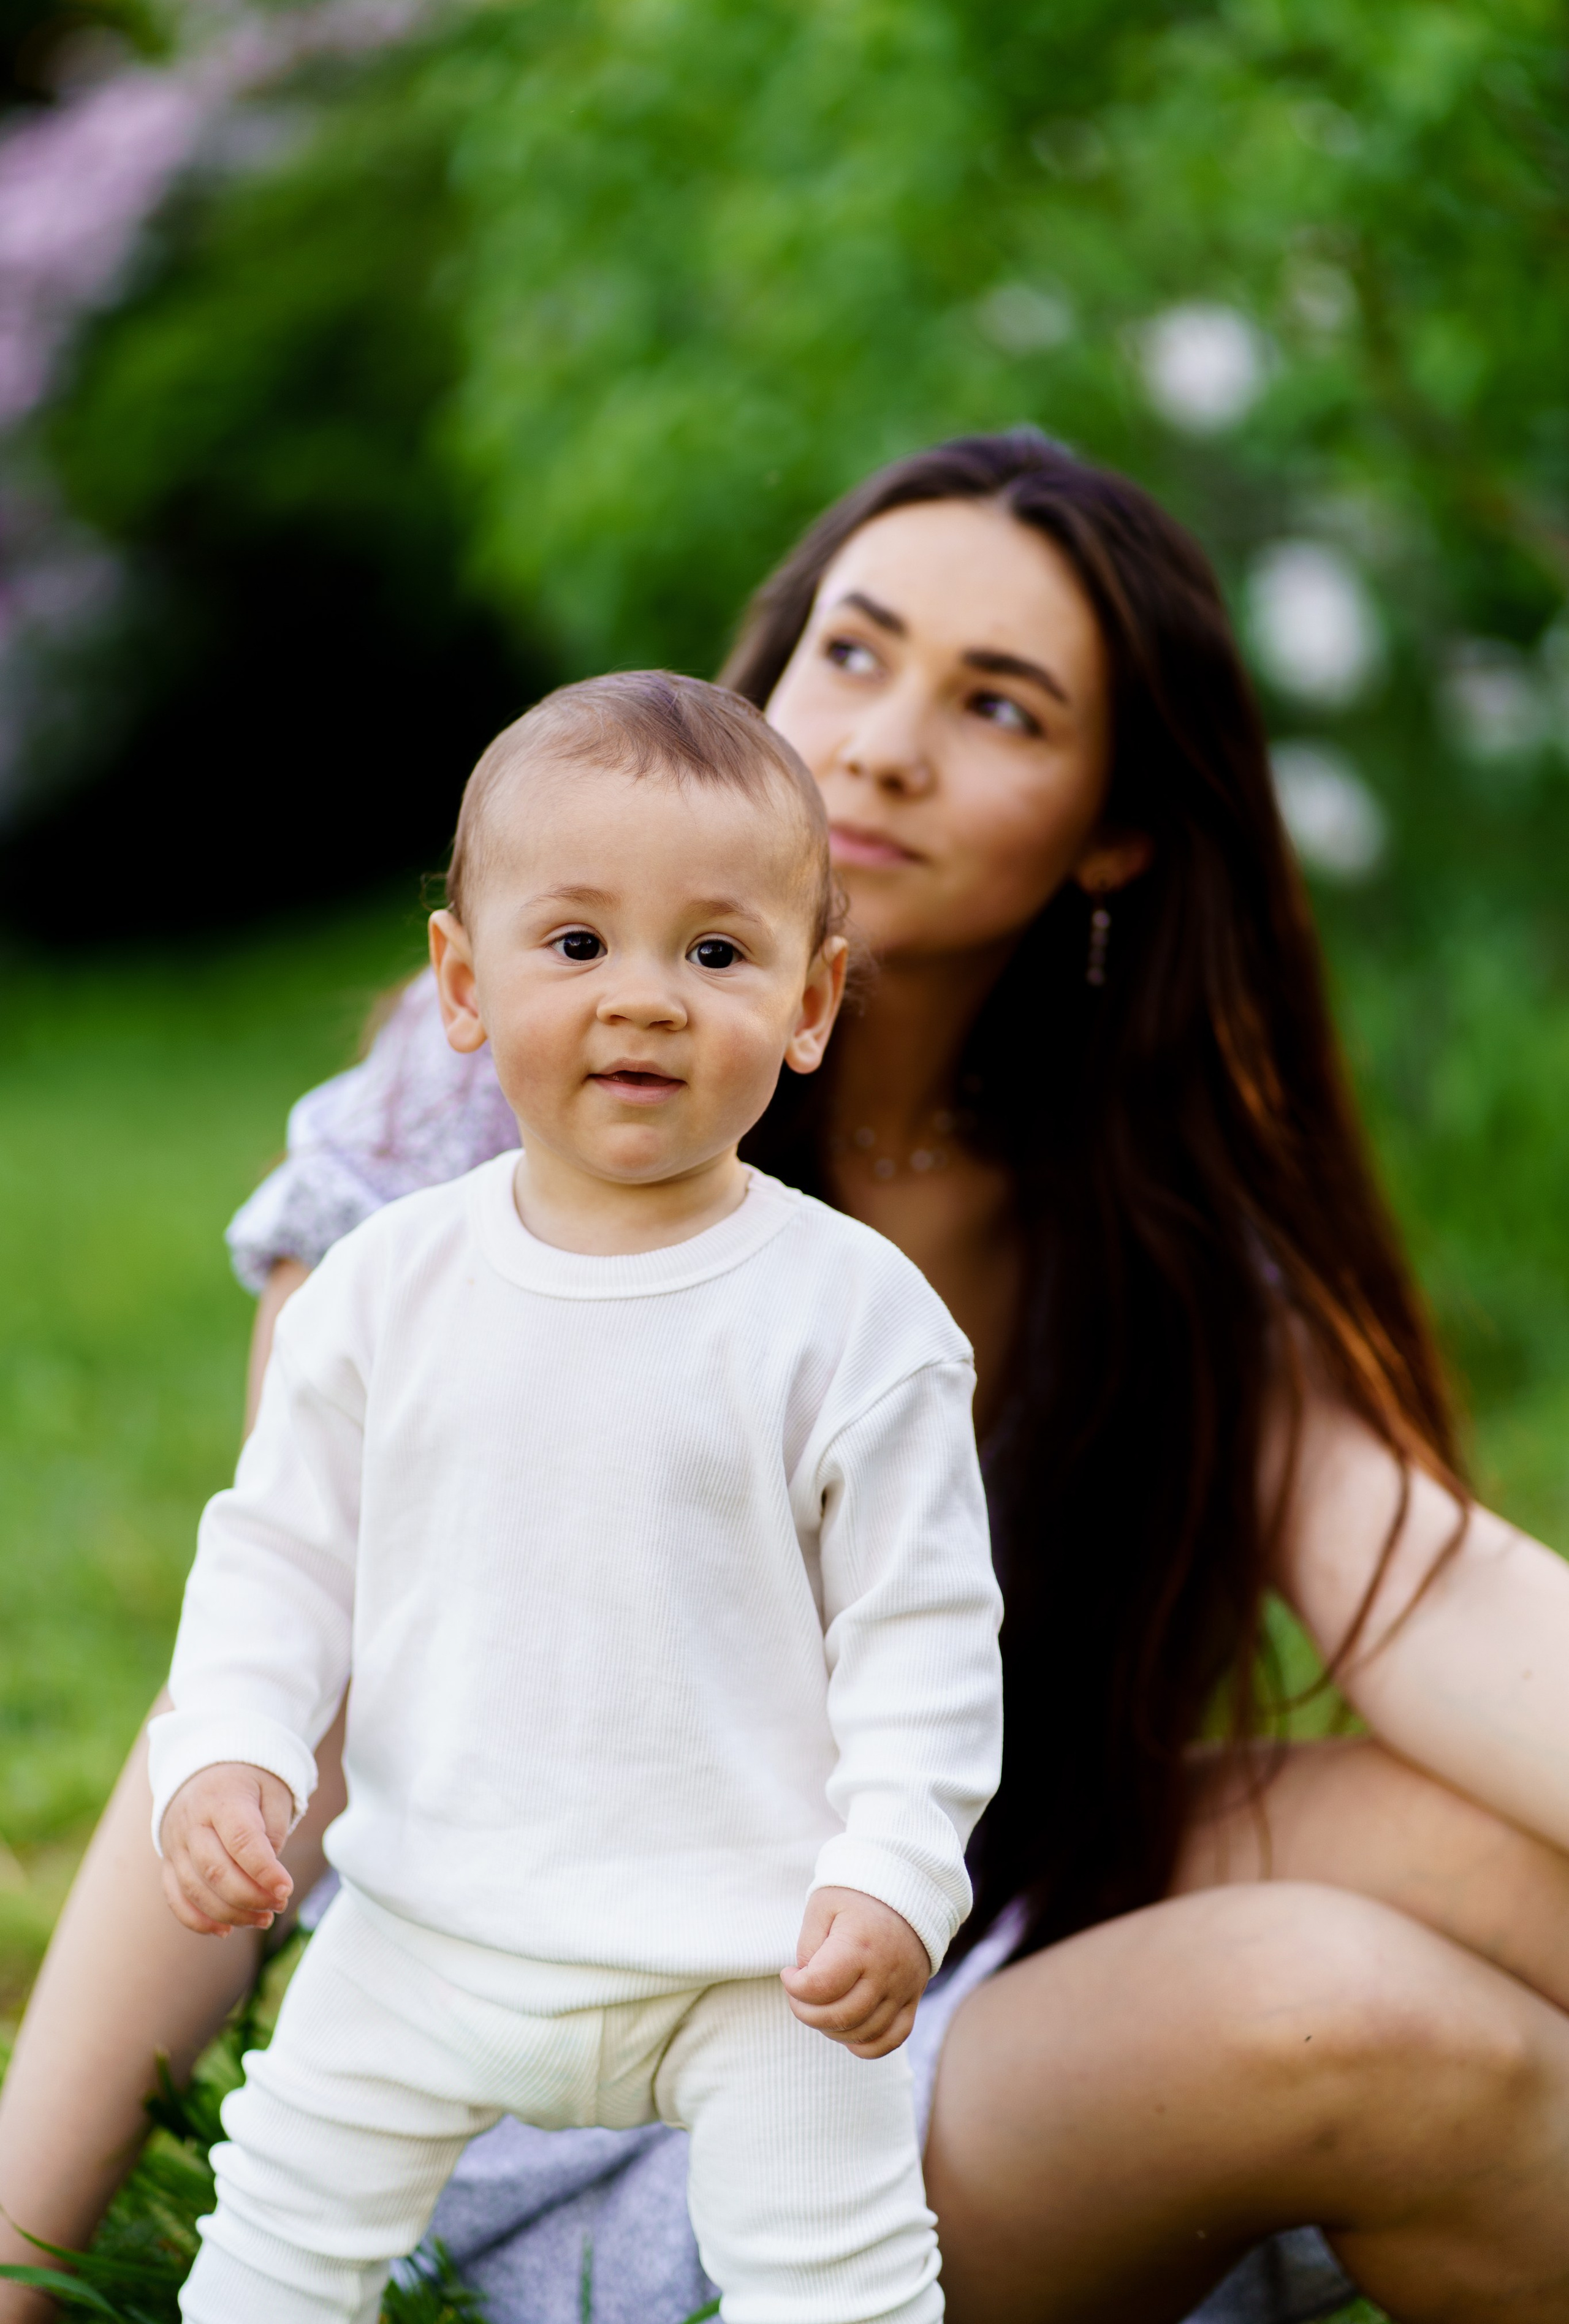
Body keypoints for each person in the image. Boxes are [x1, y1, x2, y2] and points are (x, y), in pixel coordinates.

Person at [6, 430, 1569, 2324]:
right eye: (854, 651)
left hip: (892, 1944)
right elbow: (274, 1664)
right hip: (554, 2085)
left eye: (999, 705)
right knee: (1347, 2011)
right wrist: (21, 2251)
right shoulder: (498, 1115)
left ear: (1117, 829)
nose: (888, 740)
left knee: (1497, 1857)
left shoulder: (1135, 1197)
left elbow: (1428, 1583)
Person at [150, 671, 1003, 2324]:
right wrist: (234, 1747)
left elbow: (926, 1633)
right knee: (271, 2245)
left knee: (845, 2280)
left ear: (813, 1001)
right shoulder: (385, 1289)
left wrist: (894, 1869)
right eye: (576, 943)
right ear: (461, 983)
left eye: (716, 951)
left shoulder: (855, 1315)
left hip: (757, 1953)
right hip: (426, 1915)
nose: (646, 1001)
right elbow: (276, 1558)